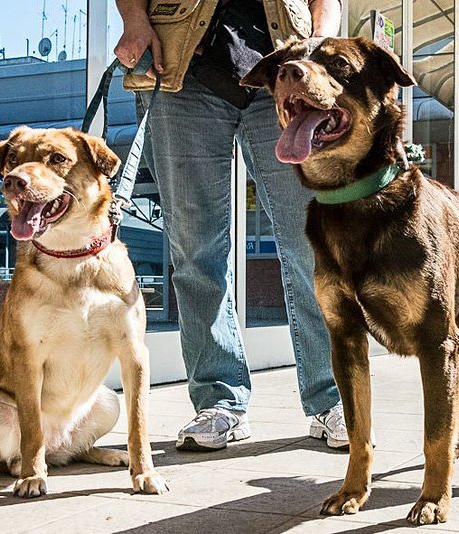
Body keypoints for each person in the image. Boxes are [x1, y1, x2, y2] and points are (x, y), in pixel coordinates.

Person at [114, 0, 347, 451]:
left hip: (286, 73)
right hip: (184, 73)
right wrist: (135, 21)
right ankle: (219, 402)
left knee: (313, 246)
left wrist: (319, 44)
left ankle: (330, 399)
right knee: (196, 251)